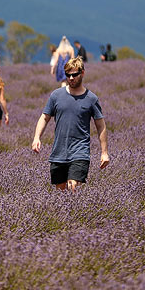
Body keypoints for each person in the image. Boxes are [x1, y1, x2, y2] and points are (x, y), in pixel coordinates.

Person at [31, 56, 109, 192]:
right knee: (61, 192)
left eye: (74, 74)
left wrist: (104, 152)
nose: (71, 78)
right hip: (59, 152)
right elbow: (44, 117)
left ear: (82, 73)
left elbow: (101, 125)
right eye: (68, 75)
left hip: (80, 152)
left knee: (73, 187)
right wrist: (37, 137)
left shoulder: (91, 98)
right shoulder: (56, 95)